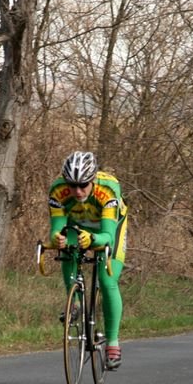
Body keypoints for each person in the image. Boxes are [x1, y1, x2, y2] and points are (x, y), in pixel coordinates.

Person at [48, 151, 128, 369]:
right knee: (67, 248)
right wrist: (57, 238)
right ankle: (73, 303)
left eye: (83, 185)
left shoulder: (108, 188)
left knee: (107, 279)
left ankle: (113, 343)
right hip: (79, 225)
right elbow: (56, 229)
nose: (77, 191)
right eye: (72, 185)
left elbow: (108, 236)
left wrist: (93, 239)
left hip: (109, 228)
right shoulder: (58, 190)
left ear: (92, 179)